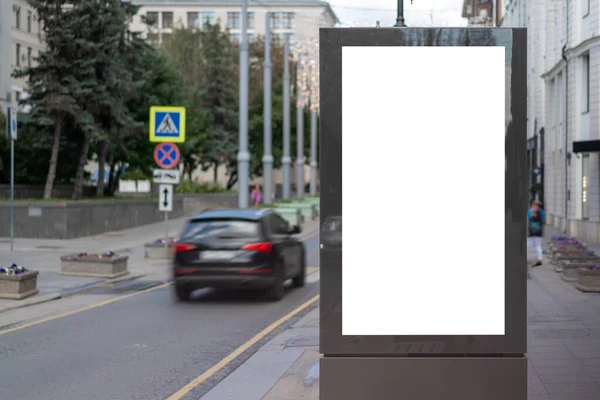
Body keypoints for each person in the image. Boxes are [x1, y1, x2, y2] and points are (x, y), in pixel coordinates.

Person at [527, 200, 546, 267]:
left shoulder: (532, 212)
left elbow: (529, 219)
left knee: (534, 245)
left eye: (534, 205)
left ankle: (539, 260)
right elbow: (543, 220)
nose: (533, 206)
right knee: (534, 245)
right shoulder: (542, 212)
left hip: (535, 232)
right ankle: (539, 259)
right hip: (537, 232)